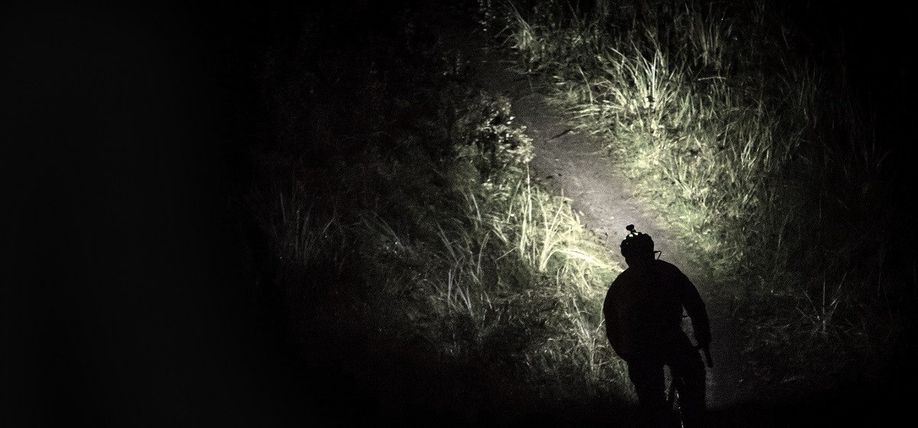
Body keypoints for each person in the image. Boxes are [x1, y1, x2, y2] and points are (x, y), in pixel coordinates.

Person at [603, 225, 711, 428]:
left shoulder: (620, 285)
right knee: (693, 374)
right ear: (651, 253)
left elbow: (612, 326)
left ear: (628, 259)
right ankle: (696, 417)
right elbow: (695, 304)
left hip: (639, 349)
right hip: (670, 339)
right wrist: (703, 337)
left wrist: (627, 354)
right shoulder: (668, 271)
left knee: (651, 403)